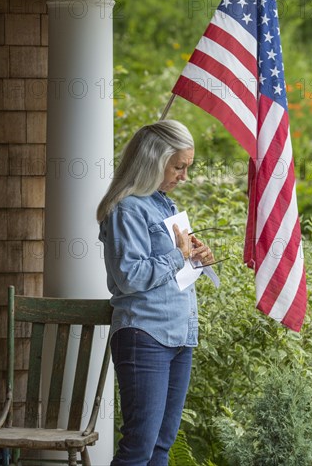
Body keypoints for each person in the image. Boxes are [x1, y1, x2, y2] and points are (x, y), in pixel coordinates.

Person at [97, 120, 214, 466]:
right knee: (139, 447)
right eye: (179, 166)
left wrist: (197, 259)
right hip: (144, 335)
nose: (184, 176)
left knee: (161, 447)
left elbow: (174, 274)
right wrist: (178, 254)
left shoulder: (166, 206)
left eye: (187, 167)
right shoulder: (126, 208)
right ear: (153, 160)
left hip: (180, 336)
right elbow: (130, 275)